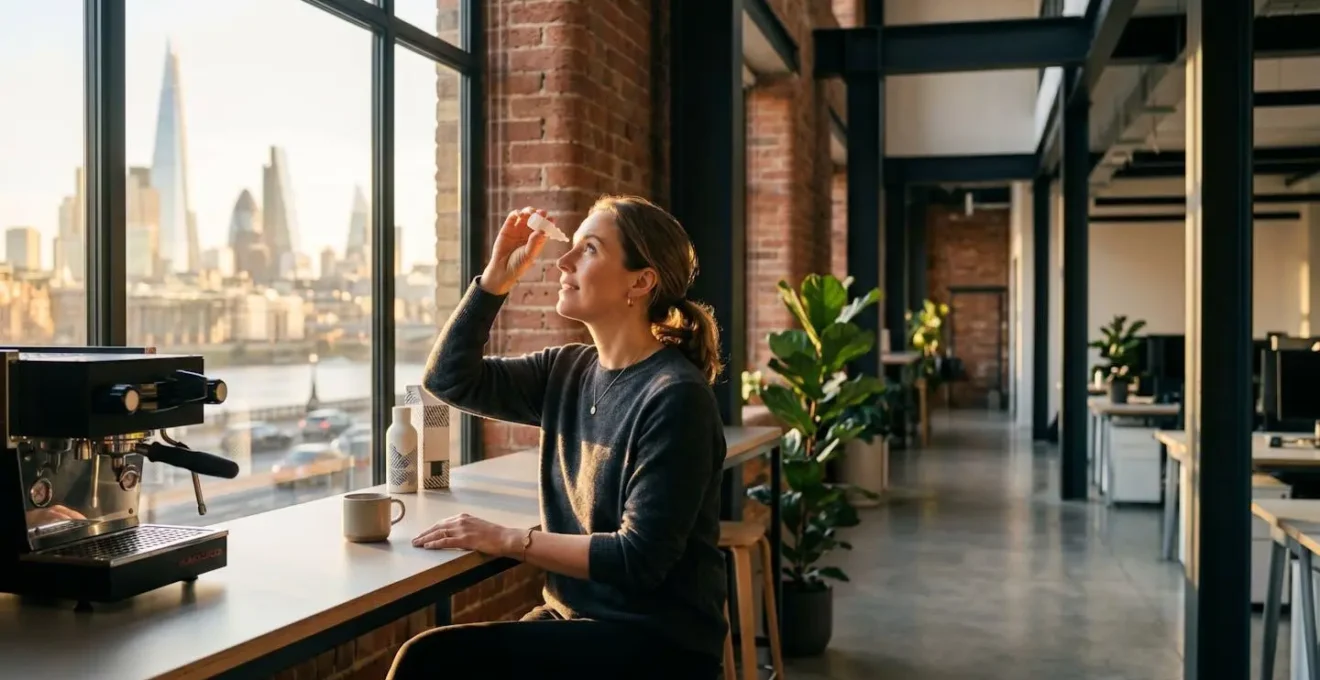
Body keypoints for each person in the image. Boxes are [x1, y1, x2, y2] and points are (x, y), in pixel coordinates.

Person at [387, 196, 728, 680]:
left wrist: (507, 538)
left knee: (429, 663)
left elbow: (638, 559)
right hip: (573, 621)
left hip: (657, 643)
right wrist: (493, 281)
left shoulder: (676, 397)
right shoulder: (566, 370)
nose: (563, 261)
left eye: (588, 249)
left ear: (641, 281)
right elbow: (448, 380)